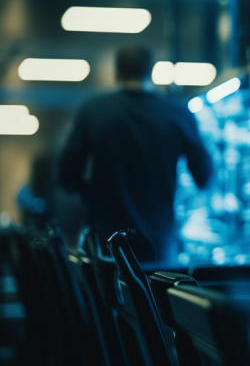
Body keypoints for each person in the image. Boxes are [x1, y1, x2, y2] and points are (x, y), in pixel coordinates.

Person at [58, 45, 213, 263]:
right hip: (159, 242)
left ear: (116, 73)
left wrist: (93, 195)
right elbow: (204, 177)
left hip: (106, 240)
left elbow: (66, 175)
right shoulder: (177, 113)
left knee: (109, 295)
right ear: (151, 71)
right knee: (153, 296)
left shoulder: (94, 111)